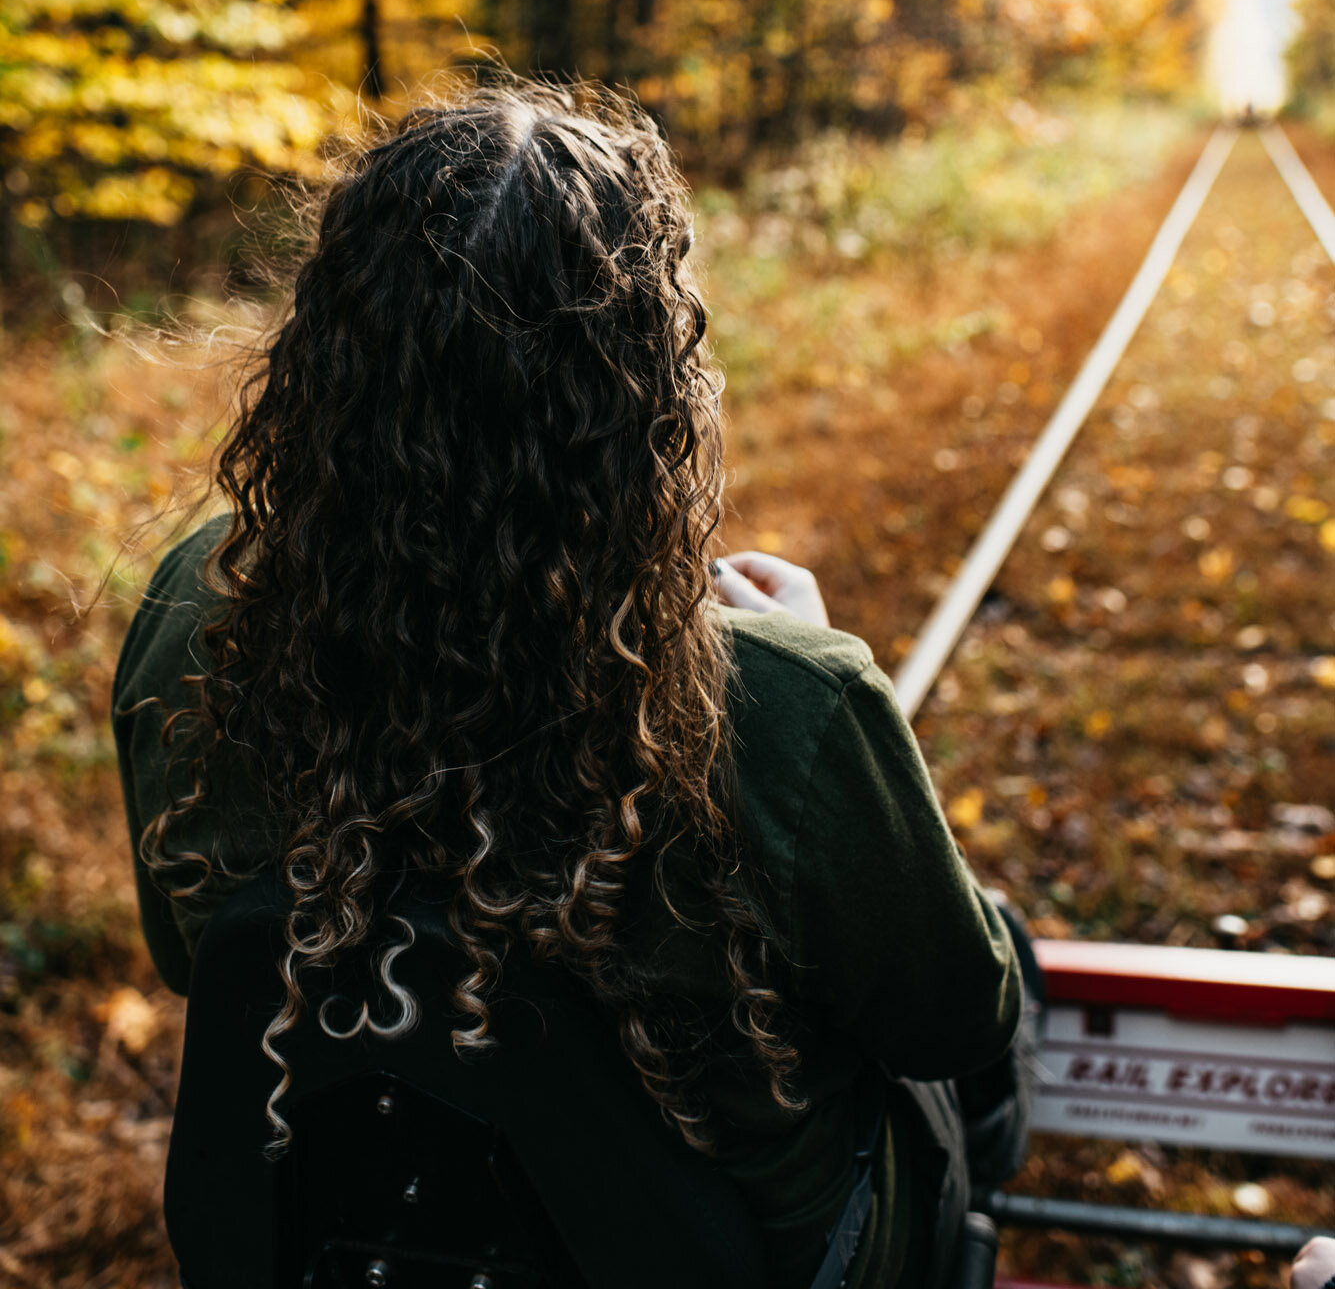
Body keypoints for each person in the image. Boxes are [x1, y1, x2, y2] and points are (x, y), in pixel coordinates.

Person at [114, 81, 1027, 1289]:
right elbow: (953, 1019)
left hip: (337, 1243)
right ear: (647, 392)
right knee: (995, 975)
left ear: (327, 355)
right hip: (740, 1260)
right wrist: (812, 661)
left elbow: (198, 960)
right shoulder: (780, 705)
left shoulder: (195, 615)